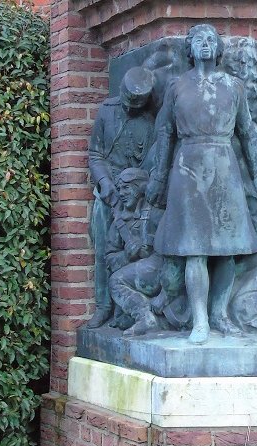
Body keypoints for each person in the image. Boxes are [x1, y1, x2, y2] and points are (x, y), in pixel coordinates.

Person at [146, 24, 257, 344]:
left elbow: (246, 134)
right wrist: (158, 177)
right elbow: (165, 134)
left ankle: (219, 313)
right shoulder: (177, 86)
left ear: (218, 49)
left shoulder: (234, 86)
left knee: (228, 250)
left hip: (223, 165)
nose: (205, 45)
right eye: (199, 40)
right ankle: (200, 320)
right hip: (188, 166)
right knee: (195, 250)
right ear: (189, 49)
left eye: (211, 40)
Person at [86, 67, 156, 329]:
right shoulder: (106, 111)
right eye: (127, 100)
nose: (129, 107)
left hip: (134, 196)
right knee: (104, 248)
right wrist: (105, 183)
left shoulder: (149, 123)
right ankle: (103, 305)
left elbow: (149, 163)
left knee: (135, 249)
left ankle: (129, 311)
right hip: (107, 195)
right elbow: (95, 154)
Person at [103, 169, 165, 336]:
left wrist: (151, 246)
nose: (121, 193)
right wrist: (127, 255)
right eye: (119, 189)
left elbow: (172, 246)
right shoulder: (119, 222)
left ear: (140, 188)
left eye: (126, 188)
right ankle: (144, 316)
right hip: (142, 273)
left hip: (164, 268)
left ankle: (145, 318)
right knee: (116, 282)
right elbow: (109, 257)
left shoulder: (156, 213)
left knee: (116, 281)